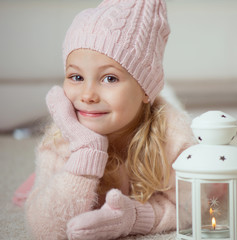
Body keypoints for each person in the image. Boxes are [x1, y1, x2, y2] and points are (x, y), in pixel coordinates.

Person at [18, 0, 196, 239]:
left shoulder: (173, 138)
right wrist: (85, 151)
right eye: (76, 76)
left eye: (110, 78)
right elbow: (47, 231)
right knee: (37, 193)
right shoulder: (61, 137)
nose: (88, 95)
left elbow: (195, 208)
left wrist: (134, 218)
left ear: (146, 88)